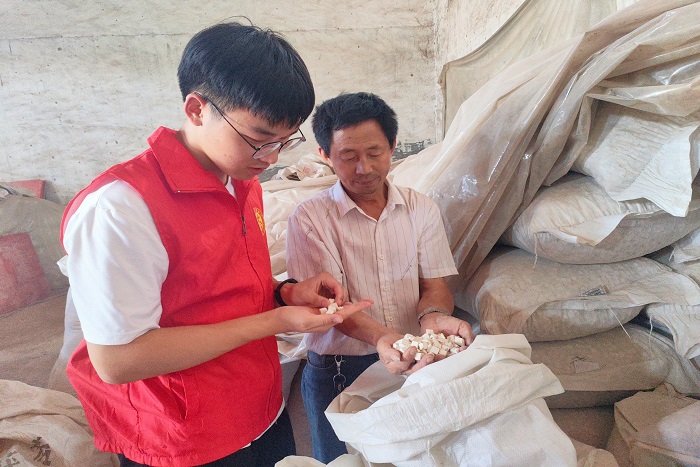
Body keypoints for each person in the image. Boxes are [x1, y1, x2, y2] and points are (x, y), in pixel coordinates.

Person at [60, 23, 372, 467]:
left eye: (284, 141)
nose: (271, 158)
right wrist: (274, 321)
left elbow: (216, 288)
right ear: (196, 109)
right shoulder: (121, 207)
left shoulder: (242, 182)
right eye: (258, 139)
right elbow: (118, 360)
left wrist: (285, 293)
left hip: (260, 410)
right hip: (183, 435)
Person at [285, 92, 475, 463]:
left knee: (410, 457)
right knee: (344, 461)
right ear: (325, 155)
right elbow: (330, 307)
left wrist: (433, 316)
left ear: (392, 146)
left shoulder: (420, 208)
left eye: (375, 153)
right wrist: (383, 338)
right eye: (348, 156)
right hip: (341, 370)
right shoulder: (310, 218)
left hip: (413, 359)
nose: (365, 168)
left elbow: (433, 284)